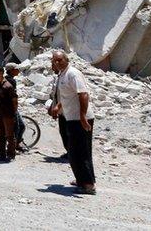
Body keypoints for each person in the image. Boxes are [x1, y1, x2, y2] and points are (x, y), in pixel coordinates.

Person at [50, 50, 96, 194]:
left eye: (60, 60)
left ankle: (88, 184)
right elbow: (68, 96)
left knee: (81, 152)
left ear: (66, 60)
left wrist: (82, 116)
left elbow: (83, 94)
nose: (57, 63)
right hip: (71, 118)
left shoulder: (73, 73)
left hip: (79, 119)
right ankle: (81, 179)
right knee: (73, 152)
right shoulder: (62, 74)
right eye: (54, 60)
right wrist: (58, 107)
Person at [0, 65, 18, 161]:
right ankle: (1, 154)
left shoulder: (8, 86)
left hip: (7, 114)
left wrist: (14, 112)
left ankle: (11, 154)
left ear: (1, 73)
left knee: (9, 135)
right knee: (0, 135)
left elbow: (14, 100)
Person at [47, 55, 70, 160]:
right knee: (63, 132)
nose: (52, 68)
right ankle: (69, 152)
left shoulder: (69, 75)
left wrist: (57, 106)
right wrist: (52, 106)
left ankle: (73, 154)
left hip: (69, 111)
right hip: (61, 111)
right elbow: (56, 94)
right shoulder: (58, 77)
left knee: (69, 133)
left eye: (53, 65)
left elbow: (69, 95)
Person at [4, 62, 26, 148]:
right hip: (11, 107)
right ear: (12, 70)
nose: (18, 71)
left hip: (8, 106)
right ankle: (15, 144)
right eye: (16, 69)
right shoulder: (11, 81)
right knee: (20, 126)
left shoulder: (5, 79)